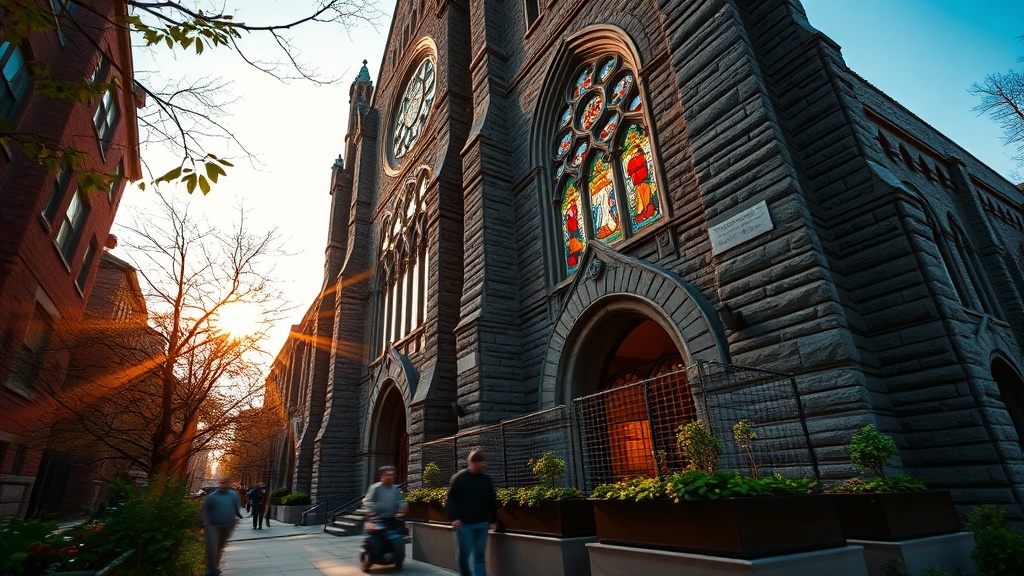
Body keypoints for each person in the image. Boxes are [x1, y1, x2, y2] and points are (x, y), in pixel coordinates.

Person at [445, 448, 497, 576]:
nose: (479, 468)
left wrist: (493, 520)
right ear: (471, 462)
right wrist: (455, 518)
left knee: (479, 555)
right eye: (477, 465)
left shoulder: (486, 480)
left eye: (482, 466)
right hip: (464, 525)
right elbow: (450, 501)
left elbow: (492, 501)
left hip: (482, 524)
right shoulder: (459, 479)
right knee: (465, 555)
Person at [200, 476, 242, 576]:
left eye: (226, 482)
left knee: (219, 547)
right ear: (220, 484)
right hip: (212, 526)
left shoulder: (234, 495)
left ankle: (215, 566)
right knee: (213, 546)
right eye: (222, 482)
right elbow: (204, 510)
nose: (224, 484)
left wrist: (236, 518)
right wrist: (205, 523)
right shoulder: (212, 496)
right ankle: (211, 569)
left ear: (229, 483)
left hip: (226, 526)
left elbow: (237, 508)